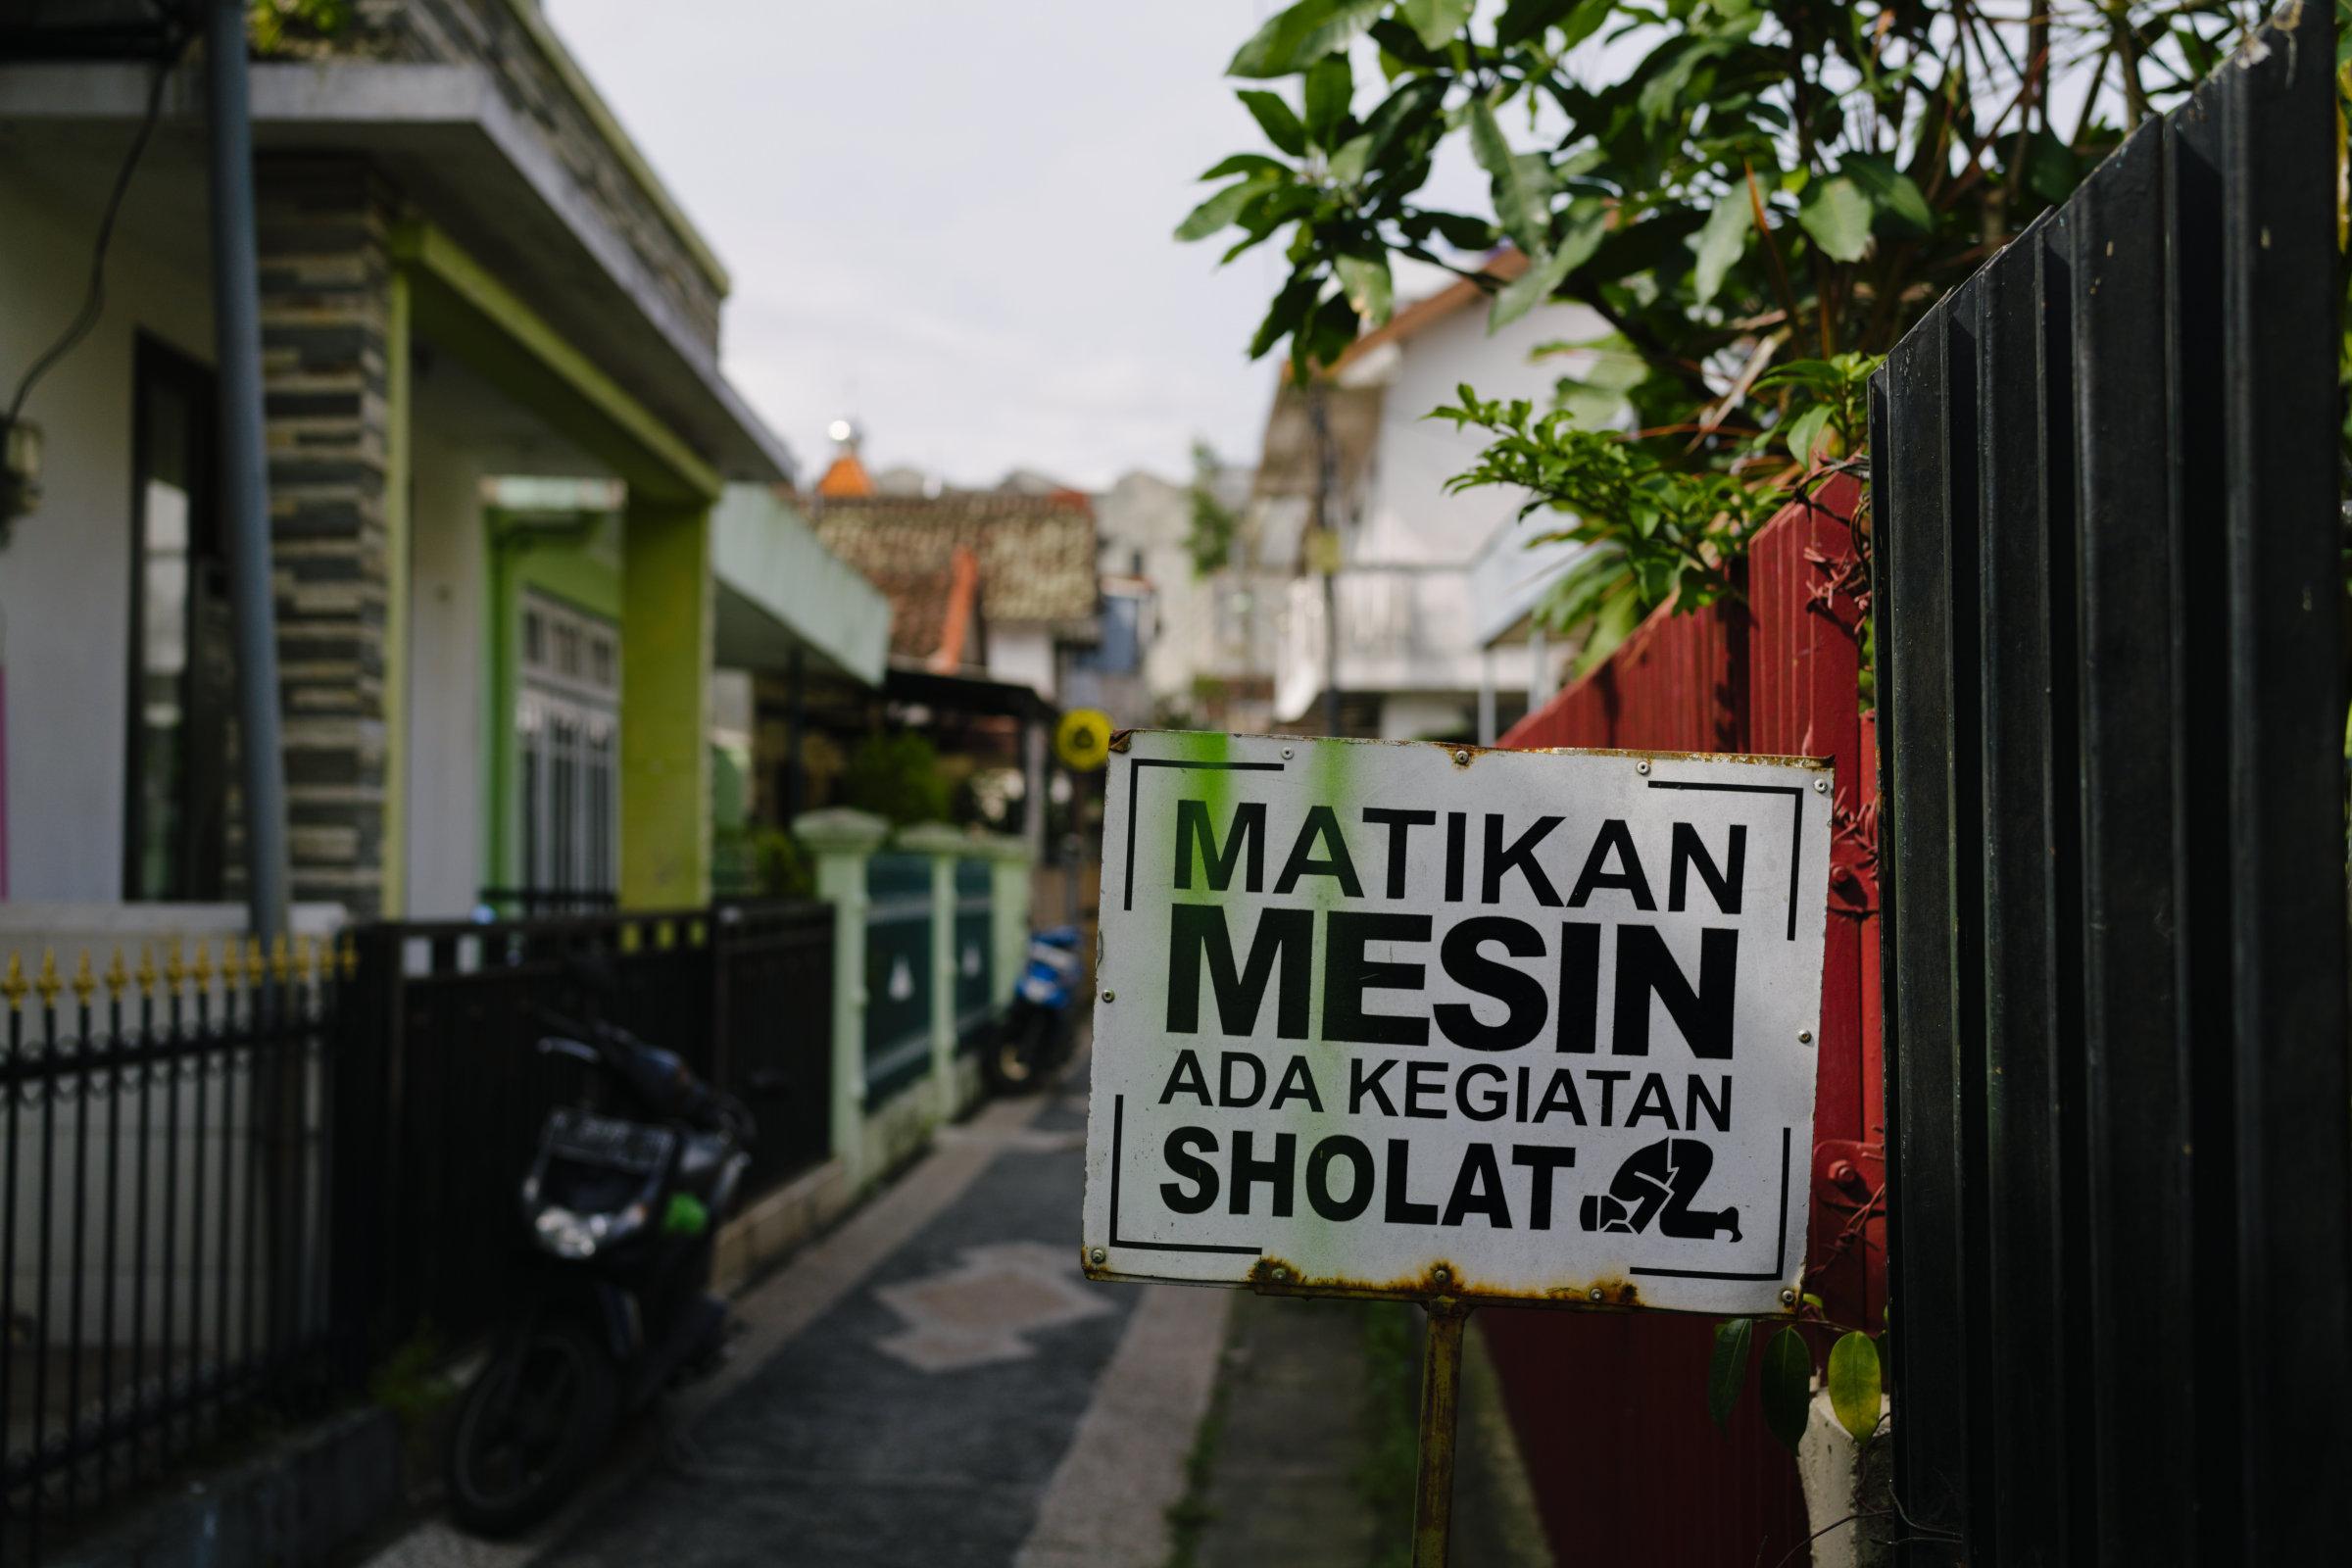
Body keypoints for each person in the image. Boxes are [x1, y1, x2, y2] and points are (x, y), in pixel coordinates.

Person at [1578, 1136, 1740, 1244]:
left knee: (1669, 1221)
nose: (1611, 1223)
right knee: (1670, 1222)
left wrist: (1634, 1226)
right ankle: (1724, 1220)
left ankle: (1725, 1220)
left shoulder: (1621, 1189)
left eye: (1605, 1223)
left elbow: (1657, 1194)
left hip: (1693, 1157)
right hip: (1689, 1157)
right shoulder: (1621, 1191)